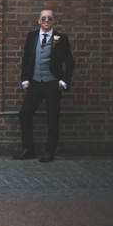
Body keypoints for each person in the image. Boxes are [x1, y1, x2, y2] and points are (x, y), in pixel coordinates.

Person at [13, 9, 74, 163]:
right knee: (24, 114)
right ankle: (28, 149)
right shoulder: (32, 36)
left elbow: (70, 62)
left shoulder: (61, 38)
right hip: (35, 83)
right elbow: (26, 59)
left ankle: (49, 151)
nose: (46, 20)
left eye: (49, 18)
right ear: (39, 21)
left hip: (53, 84)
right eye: (43, 18)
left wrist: (63, 82)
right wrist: (24, 80)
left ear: (54, 21)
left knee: (53, 118)